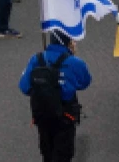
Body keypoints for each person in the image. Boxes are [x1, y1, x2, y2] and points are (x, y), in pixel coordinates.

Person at [19, 29, 92, 162]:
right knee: (63, 154)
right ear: (69, 43)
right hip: (65, 117)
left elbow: (24, 87)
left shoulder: (37, 59)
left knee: (47, 153)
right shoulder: (75, 62)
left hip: (42, 115)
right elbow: (85, 83)